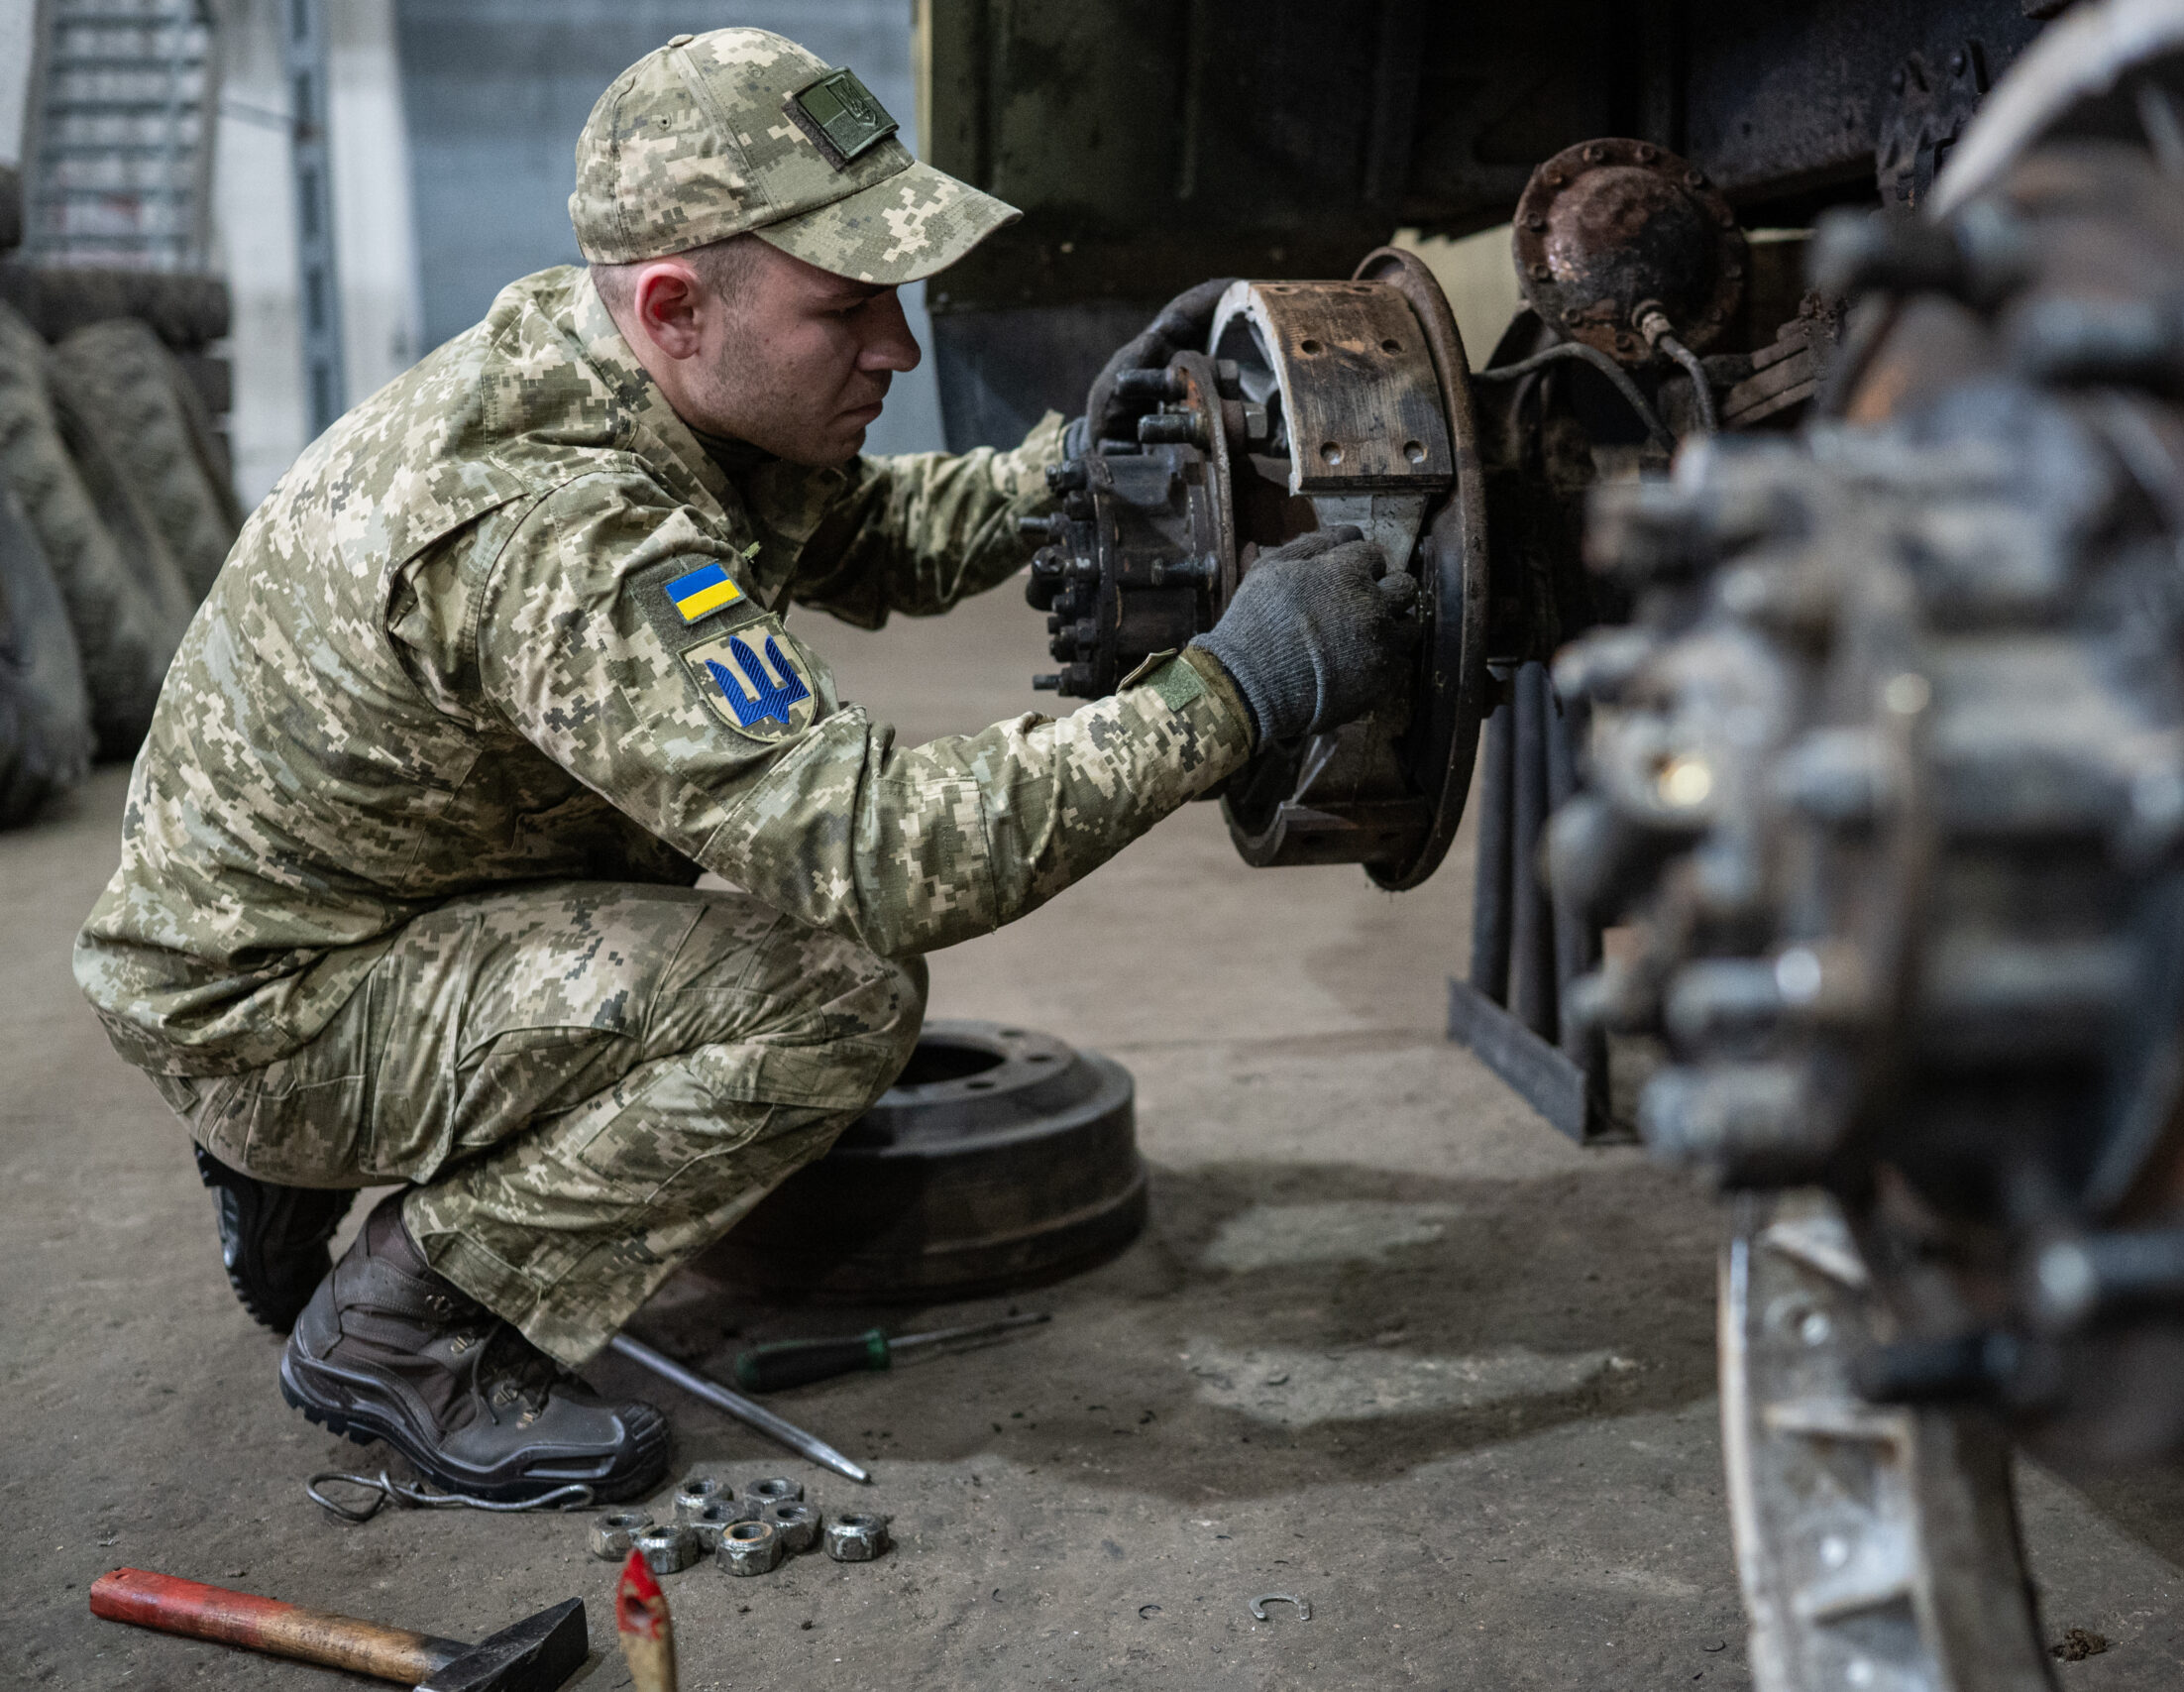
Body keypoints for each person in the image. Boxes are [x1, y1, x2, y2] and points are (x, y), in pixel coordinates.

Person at [71, 29, 1410, 1503]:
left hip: (350, 912)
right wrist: (1235, 690)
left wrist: (1073, 471)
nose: (898, 345)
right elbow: (883, 852)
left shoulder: (635, 372)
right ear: (675, 303)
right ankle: (408, 1317)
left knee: (730, 917)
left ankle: (308, 1161)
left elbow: (866, 533)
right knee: (831, 999)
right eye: (848, 309)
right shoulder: (562, 527)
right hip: (276, 1002)